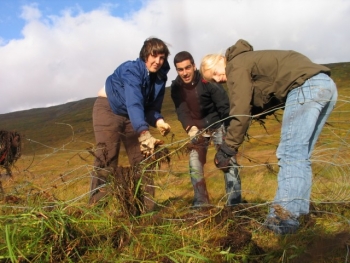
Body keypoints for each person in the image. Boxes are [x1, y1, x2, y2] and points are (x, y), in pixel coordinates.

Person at [200, 39, 337, 234]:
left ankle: (281, 223)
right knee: (300, 156)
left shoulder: (235, 65)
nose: (219, 79)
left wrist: (228, 148)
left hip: (306, 87)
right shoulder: (247, 60)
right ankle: (298, 215)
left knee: (289, 154)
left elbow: (240, 112)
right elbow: (258, 99)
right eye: (214, 80)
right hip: (325, 85)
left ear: (221, 60)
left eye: (215, 73)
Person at [89, 37, 172, 212]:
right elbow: (134, 102)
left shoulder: (159, 78)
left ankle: (146, 209)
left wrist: (159, 121)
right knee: (107, 157)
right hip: (108, 109)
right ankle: (96, 209)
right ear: (145, 55)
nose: (157, 61)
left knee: (143, 159)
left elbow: (150, 107)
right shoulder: (131, 70)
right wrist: (144, 133)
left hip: (132, 115)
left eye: (162, 58)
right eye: (154, 56)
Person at [170, 51, 242, 208]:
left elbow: (223, 104)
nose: (185, 73)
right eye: (180, 69)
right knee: (194, 163)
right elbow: (181, 110)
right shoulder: (176, 87)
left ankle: (234, 204)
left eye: (187, 68)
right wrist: (190, 128)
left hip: (218, 124)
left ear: (194, 66)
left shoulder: (207, 79)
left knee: (228, 161)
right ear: (177, 70)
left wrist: (228, 130)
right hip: (197, 130)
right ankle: (201, 204)